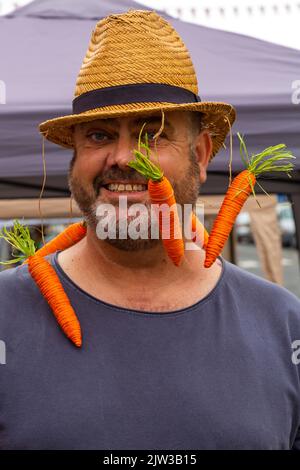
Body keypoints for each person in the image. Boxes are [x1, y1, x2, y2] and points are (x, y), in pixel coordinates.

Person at [0, 10, 299, 451]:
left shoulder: (283, 324)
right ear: (75, 157)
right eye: (99, 136)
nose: (123, 157)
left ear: (200, 155)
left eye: (152, 135)